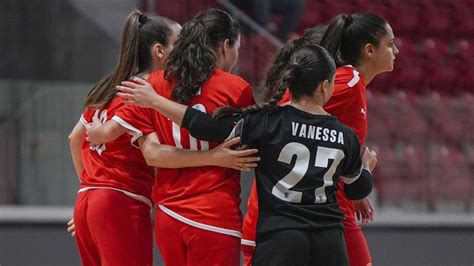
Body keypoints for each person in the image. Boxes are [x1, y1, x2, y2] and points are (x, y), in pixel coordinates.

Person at [114, 43, 377, 265]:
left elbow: (208, 128)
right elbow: (357, 190)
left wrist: (155, 101)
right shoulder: (345, 136)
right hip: (329, 242)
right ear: (324, 86)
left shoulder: (267, 122)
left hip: (281, 238)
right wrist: (366, 166)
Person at [67, 9, 258, 266]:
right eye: (177, 44)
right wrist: (213, 156)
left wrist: (90, 188)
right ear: (225, 46)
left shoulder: (136, 87)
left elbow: (77, 138)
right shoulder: (232, 87)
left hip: (146, 210)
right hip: (197, 210)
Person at [244, 13, 399, 266]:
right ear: (369, 50)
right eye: (390, 43)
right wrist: (364, 170)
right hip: (312, 211)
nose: (397, 50)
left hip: (326, 207)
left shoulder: (352, 84)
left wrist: (356, 184)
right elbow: (288, 109)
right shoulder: (347, 82)